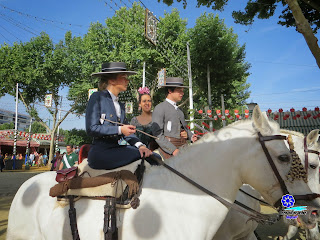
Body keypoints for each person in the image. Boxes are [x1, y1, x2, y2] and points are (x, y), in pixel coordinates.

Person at [85, 62, 159, 170]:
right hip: (100, 153)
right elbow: (91, 128)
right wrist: (120, 129)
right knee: (151, 158)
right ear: (112, 80)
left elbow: (127, 132)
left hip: (116, 149)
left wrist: (140, 145)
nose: (127, 81)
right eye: (123, 77)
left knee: (153, 156)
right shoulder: (97, 97)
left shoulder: (120, 105)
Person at [152, 77, 198, 159]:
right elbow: (157, 134)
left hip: (184, 148)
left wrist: (190, 136)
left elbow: (184, 129)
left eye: (182, 91)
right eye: (179, 90)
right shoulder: (160, 108)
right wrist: (173, 150)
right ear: (170, 90)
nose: (182, 93)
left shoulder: (180, 110)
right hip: (167, 151)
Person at [130, 87, 158, 151]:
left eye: (149, 101)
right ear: (140, 103)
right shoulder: (134, 121)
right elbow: (131, 138)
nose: (147, 103)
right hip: (137, 154)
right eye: (144, 101)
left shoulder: (158, 119)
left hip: (155, 154)